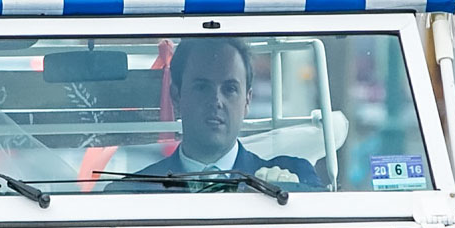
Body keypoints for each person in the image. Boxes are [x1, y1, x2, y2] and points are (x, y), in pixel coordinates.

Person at [127, 37, 323, 189]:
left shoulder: (292, 176)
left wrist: (292, 193)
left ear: (247, 100)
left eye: (229, 89)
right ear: (176, 96)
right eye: (202, 87)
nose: (216, 101)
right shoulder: (134, 191)